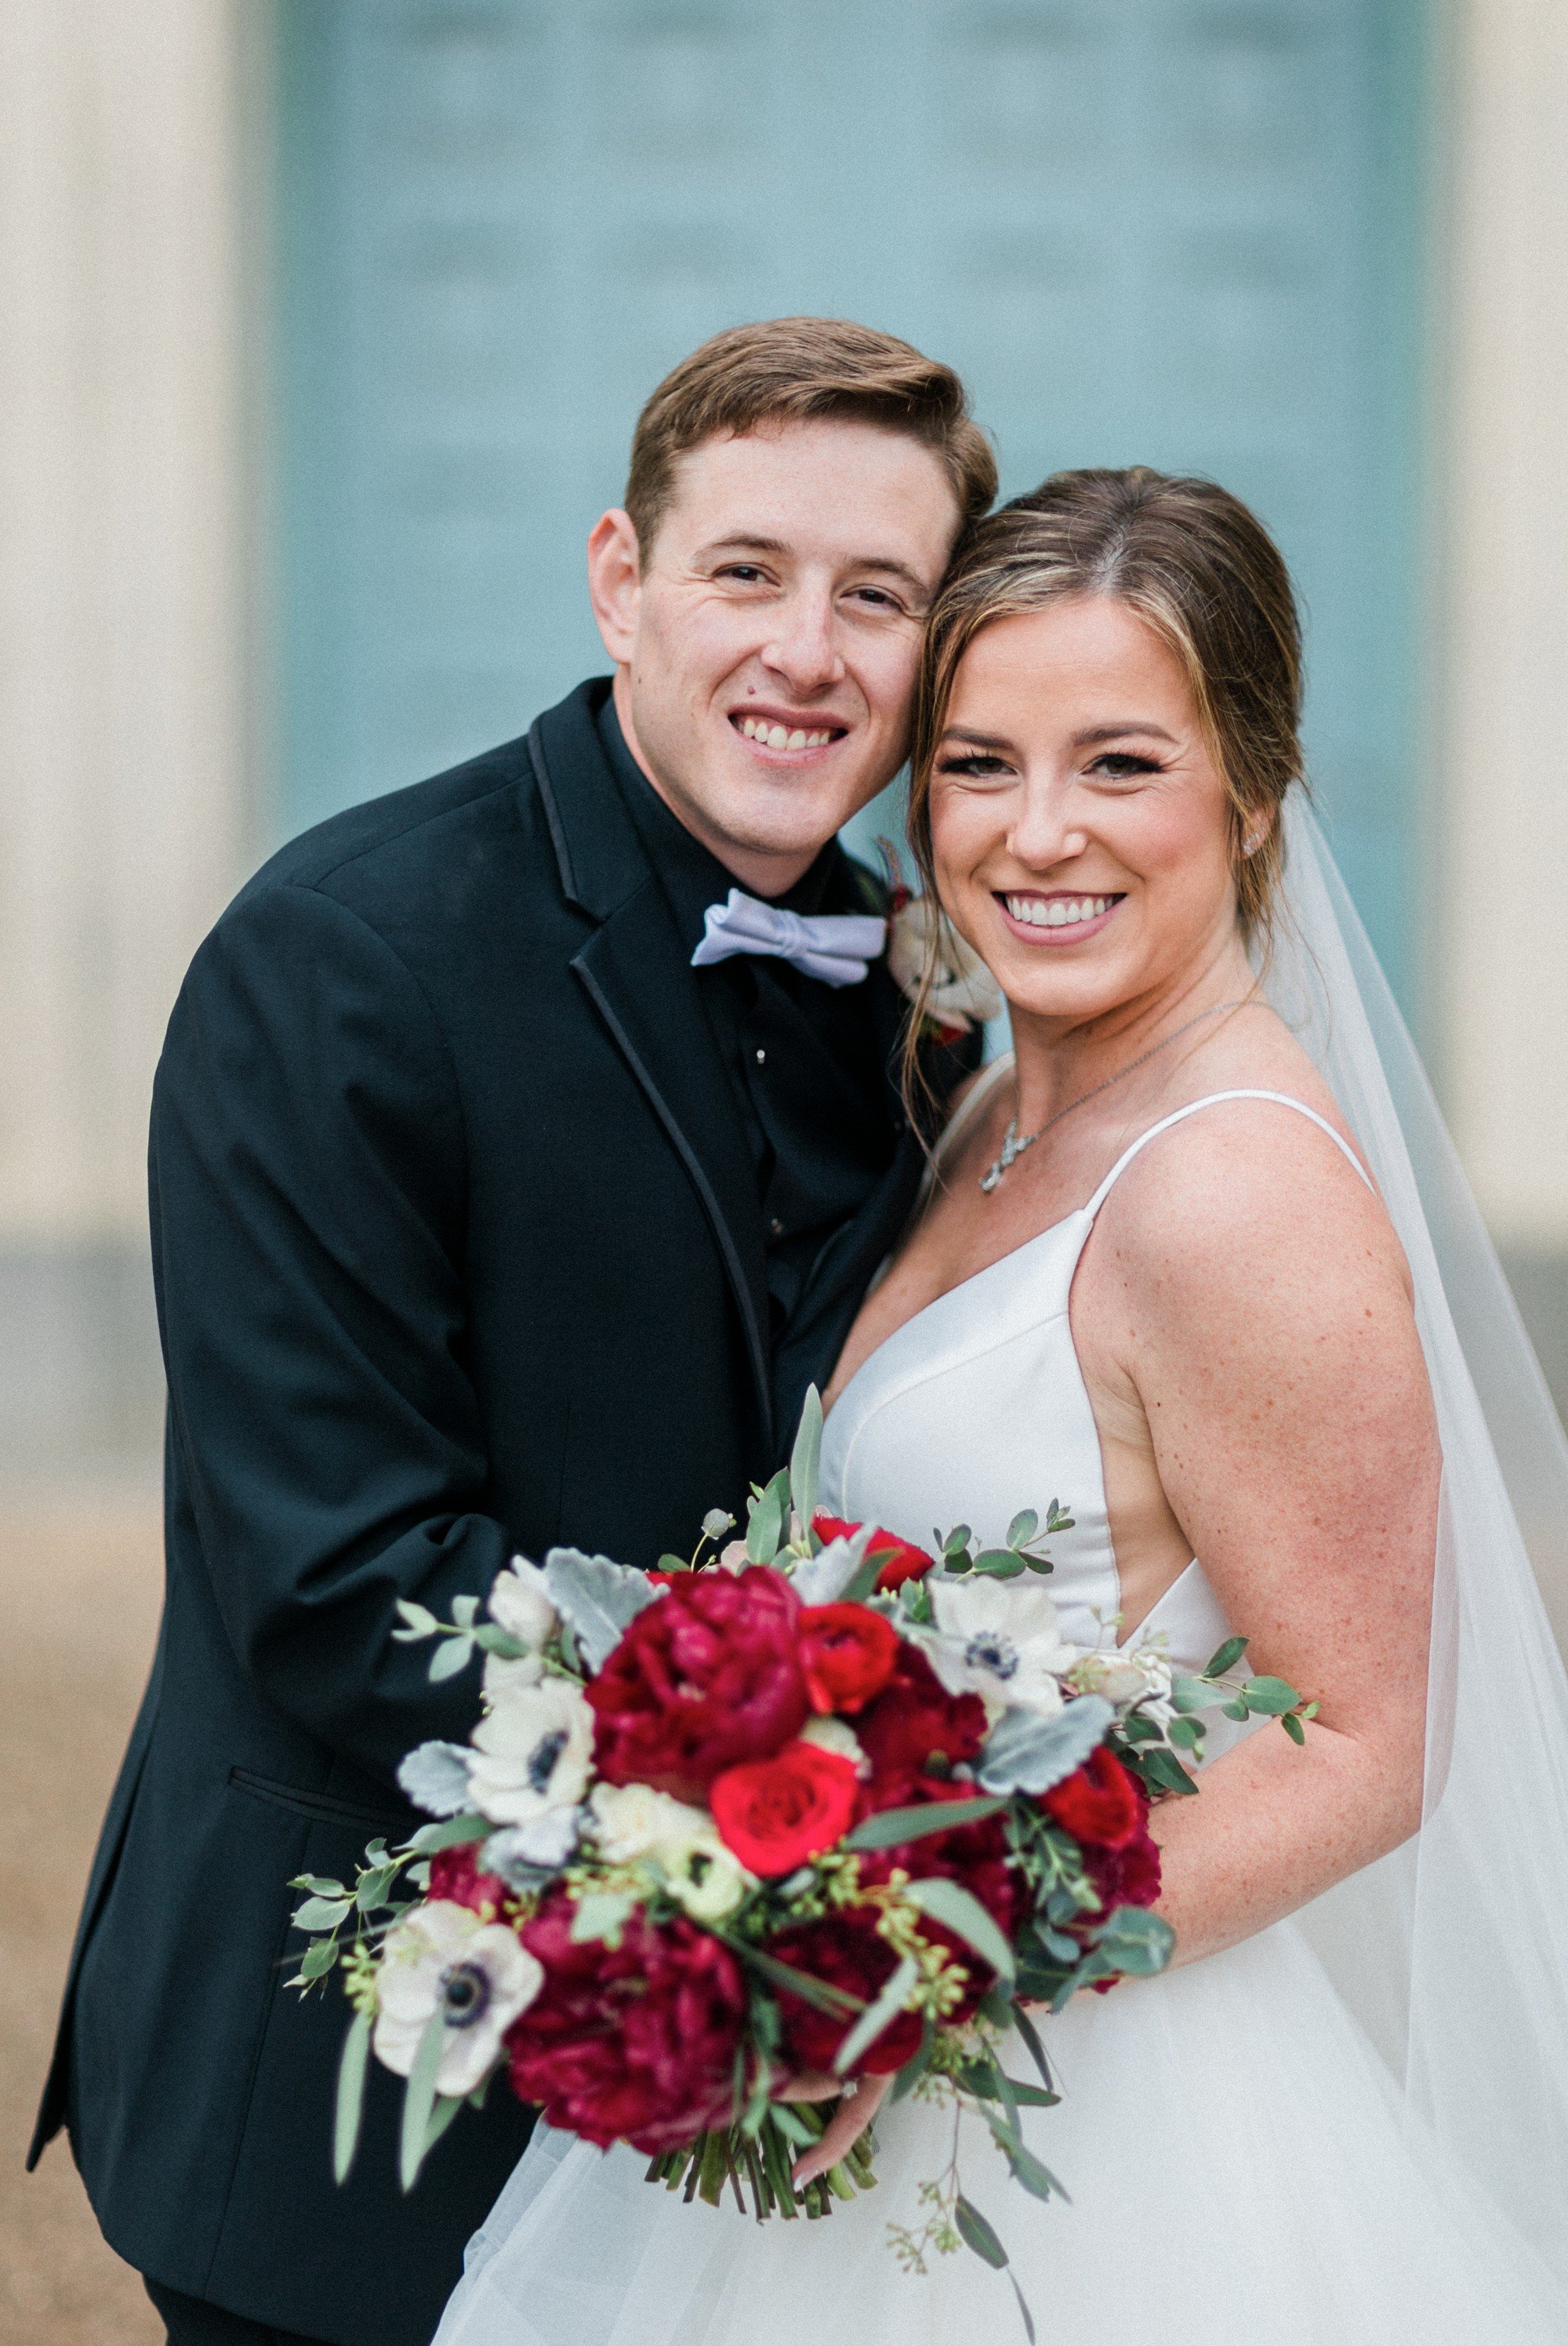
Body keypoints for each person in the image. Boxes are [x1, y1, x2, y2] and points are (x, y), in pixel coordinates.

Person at [431, 470, 1568, 2344]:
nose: (1036, 835)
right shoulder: (989, 1098)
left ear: (1254, 788)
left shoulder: (1232, 1193)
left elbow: (1370, 1734)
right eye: (975, 764)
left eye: (1120, 763)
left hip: (1099, 2122)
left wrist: (922, 1973)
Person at [27, 318, 996, 2346]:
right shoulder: (343, 957)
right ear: (617, 581)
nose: (806, 652)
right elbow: (341, 1573)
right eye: (746, 571)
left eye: (878, 596)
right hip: (361, 2103)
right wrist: (778, 1857)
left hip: (754, 2128)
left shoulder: (919, 996)